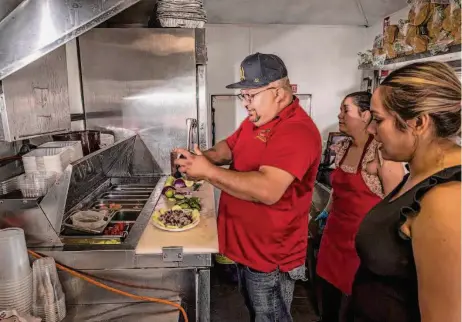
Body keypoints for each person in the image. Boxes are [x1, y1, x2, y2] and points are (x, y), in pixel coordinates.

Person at [174, 52, 322, 322]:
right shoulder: (256, 121)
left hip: (269, 256)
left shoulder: (296, 131)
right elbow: (228, 148)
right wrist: (201, 158)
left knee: (270, 317)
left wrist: (206, 172)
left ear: (277, 91)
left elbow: (268, 189)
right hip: (246, 249)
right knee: (256, 313)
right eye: (243, 96)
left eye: (250, 96)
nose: (245, 104)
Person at [351, 61, 461, 322]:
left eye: (378, 120)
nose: (370, 130)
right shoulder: (419, 173)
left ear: (419, 122)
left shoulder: (446, 197)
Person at [315, 92, 405, 322]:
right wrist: (323, 211)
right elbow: (337, 192)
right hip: (333, 239)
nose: (340, 115)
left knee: (356, 308)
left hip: (363, 247)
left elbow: (396, 205)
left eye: (346, 109)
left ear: (365, 115)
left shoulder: (383, 154)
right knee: (328, 303)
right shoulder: (343, 147)